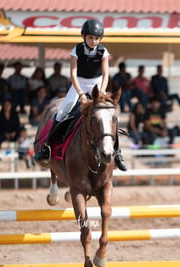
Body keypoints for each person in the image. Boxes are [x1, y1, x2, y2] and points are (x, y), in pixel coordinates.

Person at [35, 19, 127, 171]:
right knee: (63, 111)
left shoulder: (103, 51)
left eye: (97, 38)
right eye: (90, 37)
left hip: (98, 84)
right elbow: (73, 74)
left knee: (108, 116)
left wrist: (101, 93)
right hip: (80, 83)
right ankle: (46, 148)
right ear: (84, 37)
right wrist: (80, 94)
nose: (94, 41)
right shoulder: (76, 50)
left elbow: (105, 75)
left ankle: (118, 154)